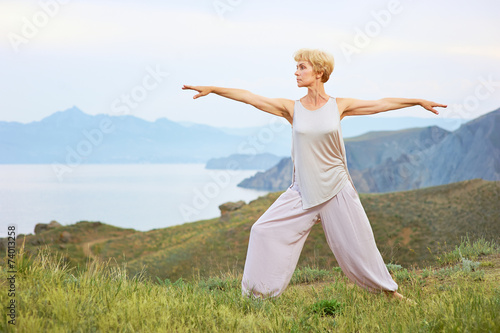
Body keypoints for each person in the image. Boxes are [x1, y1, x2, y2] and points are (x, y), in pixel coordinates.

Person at [182, 48, 446, 301]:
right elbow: (251, 97)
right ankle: (256, 297)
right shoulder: (292, 108)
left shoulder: (339, 105)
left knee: (359, 246)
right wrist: (214, 89)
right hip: (303, 190)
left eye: (301, 67)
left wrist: (417, 101)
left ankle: (389, 294)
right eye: (296, 67)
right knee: (262, 230)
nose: (296, 72)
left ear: (319, 72)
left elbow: (381, 104)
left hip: (337, 188)